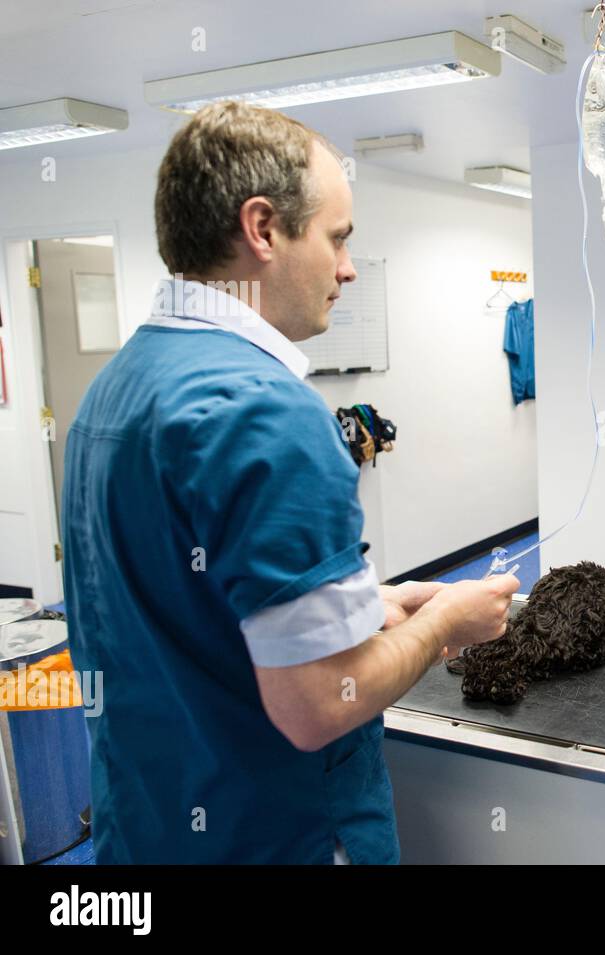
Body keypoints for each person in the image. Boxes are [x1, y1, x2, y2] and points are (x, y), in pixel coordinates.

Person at [61, 101, 518, 864]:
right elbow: (317, 705)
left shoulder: (112, 393)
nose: (346, 267)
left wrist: (372, 608)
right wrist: (442, 624)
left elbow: (190, 610)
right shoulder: (271, 412)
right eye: (338, 238)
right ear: (263, 228)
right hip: (275, 838)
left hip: (147, 837)